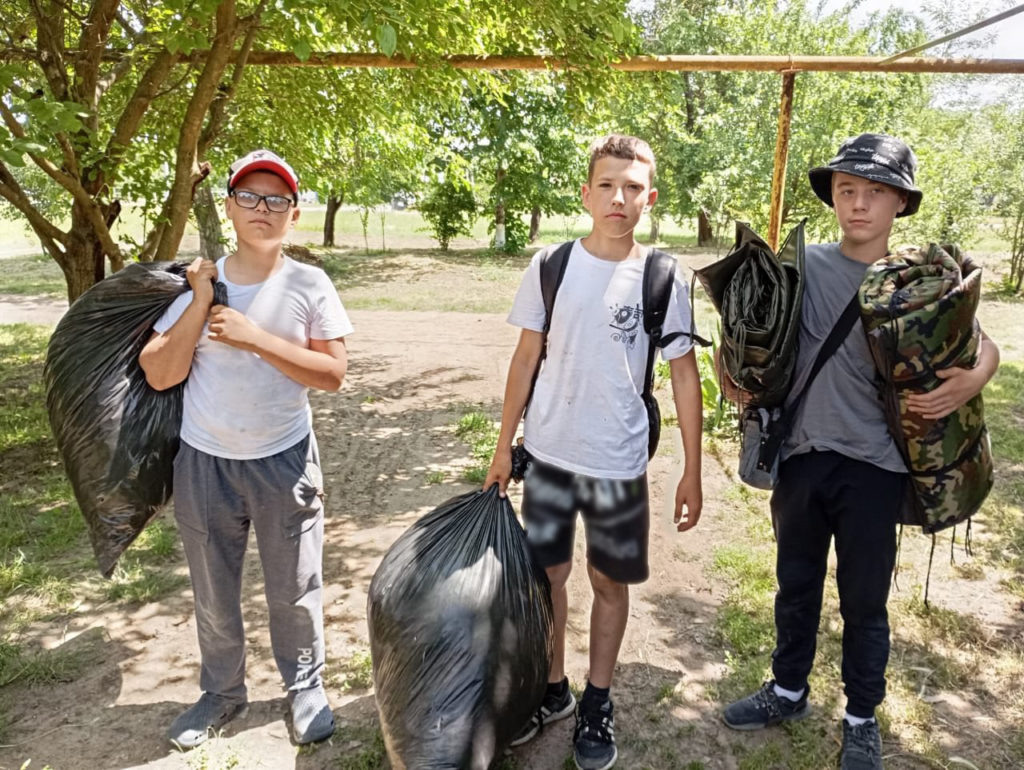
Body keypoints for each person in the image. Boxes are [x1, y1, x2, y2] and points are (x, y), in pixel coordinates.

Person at [720, 134, 1000, 770]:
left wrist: (974, 378)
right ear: (833, 198)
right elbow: (742, 333)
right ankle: (787, 689)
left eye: (875, 192)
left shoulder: (919, 281)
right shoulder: (804, 266)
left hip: (876, 466)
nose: (859, 204)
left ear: (900, 202)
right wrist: (728, 373)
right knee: (795, 586)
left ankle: (860, 716)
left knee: (864, 598)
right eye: (847, 190)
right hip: (803, 457)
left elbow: (980, 345)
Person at [483, 134, 704, 770]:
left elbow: (684, 374)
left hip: (618, 465)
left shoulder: (663, 278)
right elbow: (525, 359)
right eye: (606, 184)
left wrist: (691, 469)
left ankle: (597, 701)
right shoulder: (550, 266)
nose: (618, 197)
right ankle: (553, 690)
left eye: (633, 187)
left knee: (608, 581)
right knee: (547, 575)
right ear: (586, 194)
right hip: (549, 455)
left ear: (650, 199)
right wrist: (504, 447)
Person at [139, 149, 352, 749]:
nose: (264, 209)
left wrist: (257, 339)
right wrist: (203, 299)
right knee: (213, 585)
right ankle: (222, 693)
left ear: (295, 214)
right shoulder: (196, 283)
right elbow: (158, 373)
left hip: (284, 457)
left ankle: (305, 687)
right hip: (205, 461)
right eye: (251, 197)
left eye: (278, 199)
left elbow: (333, 373)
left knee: (295, 584)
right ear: (230, 207)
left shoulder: (309, 283)